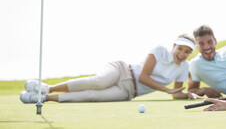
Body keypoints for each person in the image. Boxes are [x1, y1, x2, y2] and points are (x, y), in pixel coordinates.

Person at [20, 34, 199, 103]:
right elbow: (144, 77)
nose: (183, 54)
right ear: (174, 46)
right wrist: (166, 90)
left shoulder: (184, 67)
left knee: (92, 96)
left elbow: (176, 93)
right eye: (180, 49)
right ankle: (47, 87)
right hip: (122, 71)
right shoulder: (160, 50)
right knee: (96, 82)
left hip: (128, 92)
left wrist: (191, 94)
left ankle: (45, 97)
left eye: (187, 52)